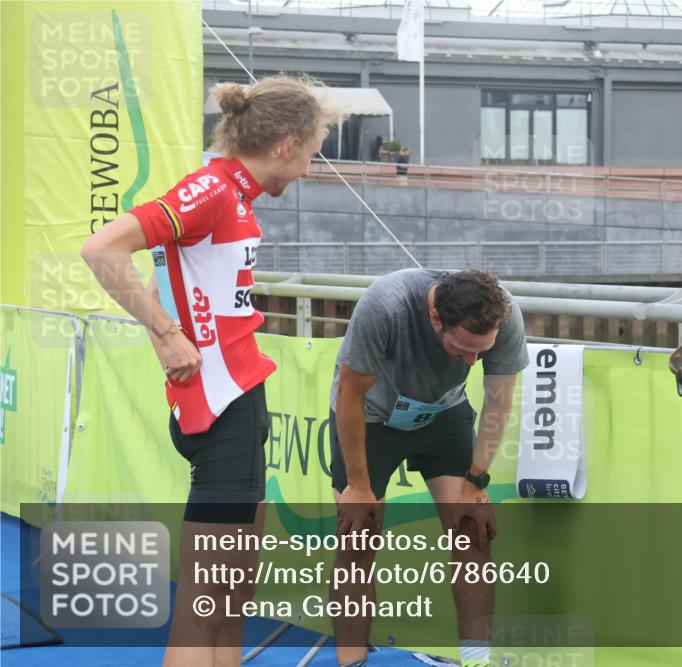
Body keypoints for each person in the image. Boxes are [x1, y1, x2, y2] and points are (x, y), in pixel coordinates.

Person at [81, 76, 332, 667]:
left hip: (234, 402)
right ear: (284, 145)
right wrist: (168, 339)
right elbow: (101, 251)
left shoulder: (231, 194)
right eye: (311, 154)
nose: (307, 171)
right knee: (206, 601)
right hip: (224, 411)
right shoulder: (213, 189)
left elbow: (159, 278)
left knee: (232, 595)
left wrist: (166, 336)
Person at [328, 268, 528, 667]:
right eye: (462, 349)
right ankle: (350, 662)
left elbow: (498, 401)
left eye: (481, 352)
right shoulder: (385, 305)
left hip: (443, 413)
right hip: (371, 416)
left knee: (473, 532)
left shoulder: (504, 314)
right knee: (358, 537)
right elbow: (349, 393)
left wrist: (475, 484)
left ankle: (476, 660)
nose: (472, 361)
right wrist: (358, 485)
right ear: (436, 318)